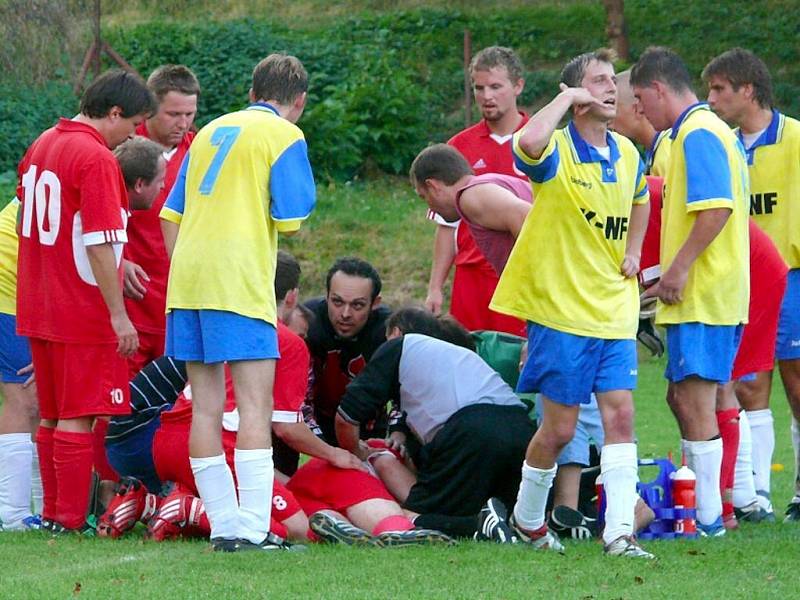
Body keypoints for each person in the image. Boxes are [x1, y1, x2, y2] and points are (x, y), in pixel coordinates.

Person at [491, 48, 652, 558]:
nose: (612, 89)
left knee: (620, 417)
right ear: (577, 94)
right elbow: (529, 140)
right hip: (562, 312)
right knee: (558, 430)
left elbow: (642, 197)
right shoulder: (557, 148)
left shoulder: (627, 153)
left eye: (612, 81)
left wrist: (633, 251)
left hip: (613, 308)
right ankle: (527, 518)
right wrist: (566, 97)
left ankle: (620, 533)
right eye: (599, 81)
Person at [159, 53, 316, 552]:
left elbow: (171, 212)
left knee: (204, 408)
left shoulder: (206, 132)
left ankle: (225, 525)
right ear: (299, 101)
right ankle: (250, 528)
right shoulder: (284, 135)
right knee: (253, 404)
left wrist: (186, 268)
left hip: (188, 279)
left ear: (251, 92)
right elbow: (292, 218)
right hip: (236, 279)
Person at [15, 69, 156, 534]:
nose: (133, 134)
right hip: (80, 306)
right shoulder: (95, 157)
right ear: (113, 113)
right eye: (133, 123)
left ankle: (54, 513)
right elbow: (98, 244)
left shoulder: (43, 143)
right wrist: (118, 315)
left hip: (40, 301)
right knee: (79, 414)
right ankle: (69, 519)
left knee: (52, 414)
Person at [631, 46, 750, 537]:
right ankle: (706, 511)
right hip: (701, 292)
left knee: (696, 400)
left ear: (659, 89)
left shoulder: (699, 132)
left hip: (707, 293)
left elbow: (716, 210)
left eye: (640, 99)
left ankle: (707, 520)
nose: (639, 111)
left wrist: (678, 272)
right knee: (683, 397)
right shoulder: (690, 133)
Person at [335, 307, 535, 541]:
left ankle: (477, 526)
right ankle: (495, 523)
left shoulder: (398, 347)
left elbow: (346, 417)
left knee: (417, 514)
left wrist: (357, 454)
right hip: (522, 429)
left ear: (396, 333)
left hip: (472, 430)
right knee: (503, 511)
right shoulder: (457, 359)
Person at [703, 48, 800, 523]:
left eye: (719, 88)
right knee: (746, 383)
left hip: (792, 277)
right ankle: (756, 492)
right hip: (737, 280)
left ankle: (798, 490)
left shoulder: (796, 139)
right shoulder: (719, 142)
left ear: (748, 89)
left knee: (797, 383)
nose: (712, 99)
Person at [425, 46, 529, 336]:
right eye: (479, 88)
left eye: (495, 86)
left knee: (522, 367)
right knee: (470, 365)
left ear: (518, 86)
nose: (486, 96)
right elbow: (446, 225)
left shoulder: (540, 142)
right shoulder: (458, 147)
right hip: (471, 281)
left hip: (519, 277)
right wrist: (435, 287)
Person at [123, 65, 200, 378]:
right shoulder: (123, 148)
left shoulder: (201, 152)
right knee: (115, 407)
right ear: (150, 108)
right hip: (130, 301)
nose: (182, 124)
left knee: (171, 407)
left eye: (189, 114)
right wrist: (120, 263)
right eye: (173, 114)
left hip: (177, 306)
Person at [304, 257, 392, 447]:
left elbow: (408, 391)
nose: (345, 314)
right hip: (314, 416)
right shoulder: (306, 323)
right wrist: (325, 450)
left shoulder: (389, 331)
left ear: (375, 303)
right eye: (337, 302)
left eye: (357, 305)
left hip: (369, 422)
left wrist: (398, 433)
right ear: (326, 296)